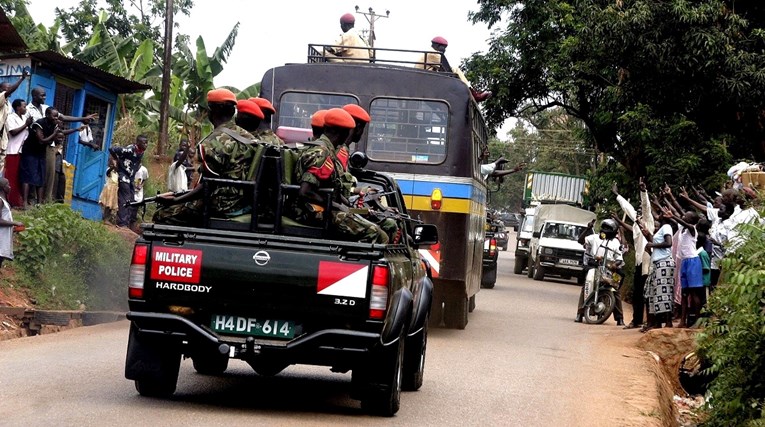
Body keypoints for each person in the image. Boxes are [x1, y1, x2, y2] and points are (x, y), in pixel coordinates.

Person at [154, 89, 262, 225]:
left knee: (162, 214)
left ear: (214, 110)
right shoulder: (249, 137)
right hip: (245, 203)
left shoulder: (212, 142)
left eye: (209, 108)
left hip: (222, 205)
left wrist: (176, 200)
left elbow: (207, 186)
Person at [294, 108, 387, 243]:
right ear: (342, 133)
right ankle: (354, 263)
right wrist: (335, 206)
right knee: (374, 232)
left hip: (323, 208)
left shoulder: (328, 151)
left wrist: (349, 206)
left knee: (376, 227)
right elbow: (305, 192)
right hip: (310, 211)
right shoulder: (321, 153)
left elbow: (333, 187)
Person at [26, 87, 96, 203]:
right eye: (42, 95)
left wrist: (83, 118)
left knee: (49, 174)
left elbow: (64, 117)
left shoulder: (46, 108)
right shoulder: (28, 110)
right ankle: (32, 198)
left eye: (45, 95)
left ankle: (45, 201)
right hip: (35, 146)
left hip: (49, 146)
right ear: (34, 96)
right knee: (34, 172)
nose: (44, 97)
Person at [611, 179, 654, 329]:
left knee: (646, 294)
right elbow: (628, 208)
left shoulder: (648, 221)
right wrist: (617, 195)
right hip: (638, 262)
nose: (639, 213)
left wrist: (643, 192)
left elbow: (646, 207)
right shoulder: (637, 223)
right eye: (638, 212)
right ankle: (636, 321)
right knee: (637, 294)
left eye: (641, 212)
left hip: (648, 263)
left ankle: (648, 322)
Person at [575, 219, 625, 325]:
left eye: (608, 229)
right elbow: (580, 241)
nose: (605, 231)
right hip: (594, 266)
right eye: (604, 228)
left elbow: (619, 258)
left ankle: (620, 318)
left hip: (611, 269)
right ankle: (580, 313)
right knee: (586, 286)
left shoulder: (616, 242)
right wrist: (588, 228)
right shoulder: (594, 238)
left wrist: (614, 265)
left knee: (616, 290)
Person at [415, 36, 491, 102]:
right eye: (443, 47)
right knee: (456, 70)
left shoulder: (430, 53)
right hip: (425, 80)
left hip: (425, 78)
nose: (444, 50)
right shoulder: (433, 53)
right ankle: (474, 94)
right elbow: (447, 69)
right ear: (437, 45)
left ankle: (472, 92)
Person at [638, 209, 675, 331]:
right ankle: (658, 323)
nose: (656, 216)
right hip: (658, 263)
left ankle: (668, 322)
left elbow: (668, 243)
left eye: (658, 214)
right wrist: (648, 235)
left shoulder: (666, 227)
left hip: (664, 263)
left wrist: (652, 245)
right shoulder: (663, 229)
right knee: (657, 294)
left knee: (664, 294)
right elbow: (657, 242)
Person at [20, 108, 60, 207]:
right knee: (28, 176)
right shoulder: (39, 123)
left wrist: (75, 130)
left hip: (40, 152)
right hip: (30, 151)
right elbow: (42, 140)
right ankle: (25, 202)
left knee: (41, 177)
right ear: (47, 115)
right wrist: (54, 134)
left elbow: (52, 138)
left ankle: (39, 203)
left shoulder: (54, 124)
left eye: (57, 116)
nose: (56, 118)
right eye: (54, 116)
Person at [109, 135, 148, 227]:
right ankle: (122, 223)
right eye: (144, 143)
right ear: (138, 143)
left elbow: (137, 163)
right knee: (125, 198)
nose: (146, 145)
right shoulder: (130, 149)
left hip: (130, 177)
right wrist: (117, 160)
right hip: (123, 175)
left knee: (132, 199)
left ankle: (127, 222)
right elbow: (112, 149)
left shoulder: (141, 152)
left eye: (147, 143)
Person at [1, 70, 29, 176]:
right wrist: (22, 78)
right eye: (7, 89)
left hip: (6, 142)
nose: (9, 91)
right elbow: (13, 131)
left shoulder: (8, 105)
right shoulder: (1, 99)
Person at [5, 99, 32, 207]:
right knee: (10, 177)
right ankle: (9, 200)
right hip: (12, 150)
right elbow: (13, 132)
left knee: (18, 177)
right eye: (24, 106)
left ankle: (16, 201)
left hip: (21, 151)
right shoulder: (11, 117)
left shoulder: (24, 118)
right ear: (17, 108)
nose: (25, 109)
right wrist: (26, 125)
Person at [0, 177, 23, 269]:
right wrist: (14, 223)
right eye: (7, 185)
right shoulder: (0, 201)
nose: (9, 187)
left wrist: (12, 228)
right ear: (2, 187)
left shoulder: (4, 201)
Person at [98, 158, 119, 224]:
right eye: (113, 164)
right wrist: (113, 167)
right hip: (109, 189)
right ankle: (105, 219)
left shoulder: (116, 173)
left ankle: (107, 219)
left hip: (114, 189)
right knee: (108, 205)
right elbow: (108, 173)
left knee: (111, 205)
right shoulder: (109, 170)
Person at [129, 164, 149, 229]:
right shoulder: (130, 167)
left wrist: (141, 185)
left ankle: (132, 223)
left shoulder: (144, 170)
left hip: (138, 191)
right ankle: (127, 221)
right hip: (130, 189)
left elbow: (145, 179)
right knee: (129, 205)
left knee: (136, 206)